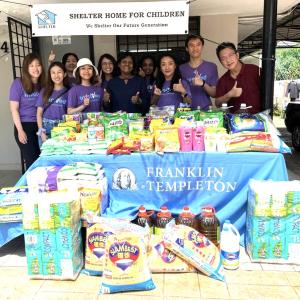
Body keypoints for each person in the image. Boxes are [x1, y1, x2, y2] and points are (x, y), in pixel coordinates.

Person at [9, 53, 45, 170]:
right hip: (25, 126)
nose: (36, 68)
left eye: (38, 65)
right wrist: (20, 130)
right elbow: (14, 109)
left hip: (41, 125)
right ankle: (30, 186)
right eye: (32, 66)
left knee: (43, 158)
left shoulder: (43, 84)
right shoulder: (18, 83)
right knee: (32, 161)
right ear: (26, 68)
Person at [215, 42, 261, 114]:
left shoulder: (254, 70)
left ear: (237, 55)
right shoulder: (223, 80)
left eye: (230, 55)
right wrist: (229, 94)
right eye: (223, 58)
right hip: (236, 122)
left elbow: (268, 91)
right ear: (221, 62)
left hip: (258, 121)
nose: (228, 60)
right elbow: (217, 103)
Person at [180, 34, 218, 110]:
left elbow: (214, 94)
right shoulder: (181, 69)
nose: (195, 48)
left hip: (206, 111)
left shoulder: (211, 67)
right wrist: (184, 94)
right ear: (187, 48)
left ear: (202, 47)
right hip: (187, 112)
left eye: (198, 45)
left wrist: (203, 84)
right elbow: (182, 95)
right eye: (191, 45)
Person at [36, 61, 69, 144]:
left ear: (64, 74)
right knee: (46, 156)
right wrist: (41, 132)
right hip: (45, 127)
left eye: (59, 72)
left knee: (61, 155)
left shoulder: (69, 92)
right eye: (53, 73)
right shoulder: (44, 91)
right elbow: (39, 113)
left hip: (62, 128)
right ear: (50, 75)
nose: (56, 75)